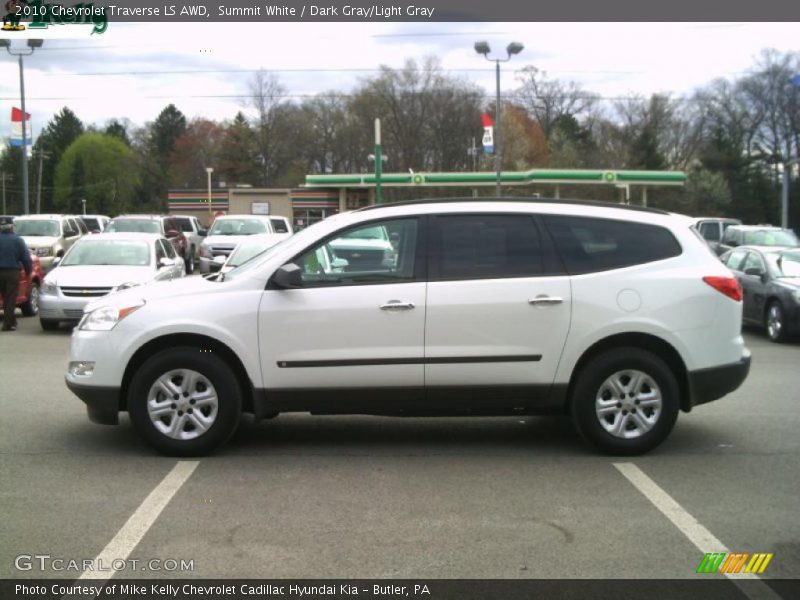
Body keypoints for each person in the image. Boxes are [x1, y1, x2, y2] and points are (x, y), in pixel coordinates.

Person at [0, 216, 32, 331]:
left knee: (5, 296)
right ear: (12, 227)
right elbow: (26, 259)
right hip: (12, 272)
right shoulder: (18, 240)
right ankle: (7, 324)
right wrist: (28, 272)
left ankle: (12, 321)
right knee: (10, 298)